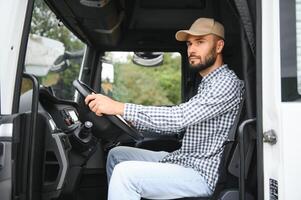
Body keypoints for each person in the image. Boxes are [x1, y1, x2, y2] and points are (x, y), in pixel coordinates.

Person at [85, 18, 244, 200]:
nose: (191, 49)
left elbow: (179, 118)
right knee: (117, 155)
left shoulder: (225, 83)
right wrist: (131, 119)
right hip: (185, 159)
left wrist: (119, 107)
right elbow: (182, 122)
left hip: (202, 173)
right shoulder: (209, 83)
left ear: (218, 46)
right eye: (189, 44)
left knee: (125, 174)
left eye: (200, 42)